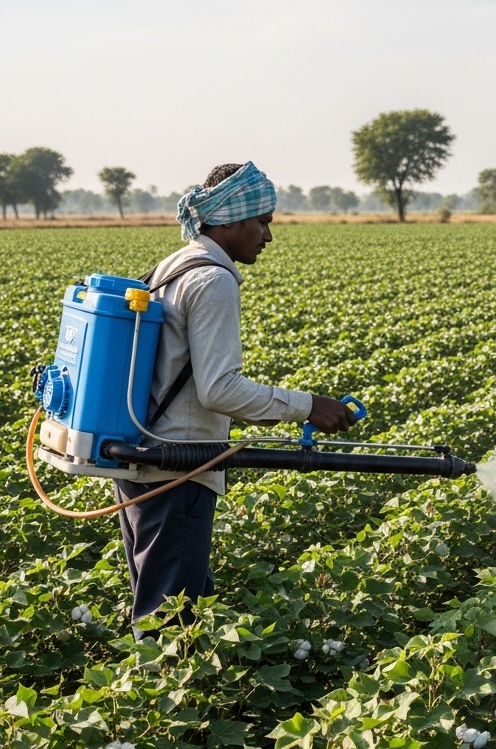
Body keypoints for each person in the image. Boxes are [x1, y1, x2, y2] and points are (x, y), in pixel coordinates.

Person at [114, 161, 355, 636]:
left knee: (183, 606)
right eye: (261, 222)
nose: (267, 236)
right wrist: (309, 404)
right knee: (170, 620)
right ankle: (158, 702)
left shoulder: (173, 266)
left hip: (142, 460)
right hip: (178, 472)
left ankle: (180, 696)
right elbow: (219, 389)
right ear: (228, 220)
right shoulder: (212, 280)